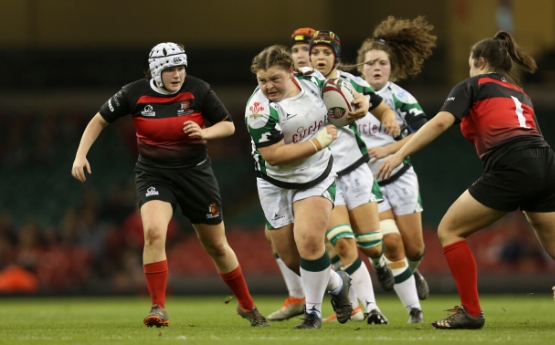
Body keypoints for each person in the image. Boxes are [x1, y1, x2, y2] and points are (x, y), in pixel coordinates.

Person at [71, 42, 269, 328]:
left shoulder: (198, 89)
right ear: (155, 70)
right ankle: (158, 307)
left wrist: (204, 132)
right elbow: (99, 120)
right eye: (170, 69)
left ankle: (248, 305)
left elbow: (228, 125)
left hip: (196, 175)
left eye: (181, 68)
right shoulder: (134, 92)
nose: (177, 74)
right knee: (152, 233)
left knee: (216, 246)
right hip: (154, 175)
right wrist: (80, 156)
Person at [377, 30, 555, 330]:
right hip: (546, 163)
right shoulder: (519, 93)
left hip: (513, 164)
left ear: (481, 62)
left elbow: (440, 123)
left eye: (471, 65)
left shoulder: (474, 84)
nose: (469, 70)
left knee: (449, 230)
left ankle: (471, 312)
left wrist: (399, 154)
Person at [246, 44, 372, 329]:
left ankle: (312, 314)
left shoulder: (313, 80)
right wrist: (319, 141)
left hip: (315, 174)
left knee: (310, 242)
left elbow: (344, 91)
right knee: (292, 259)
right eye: (262, 80)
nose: (268, 86)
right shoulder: (258, 110)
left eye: (274, 78)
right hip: (273, 183)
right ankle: (338, 285)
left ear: (291, 72)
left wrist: (360, 102)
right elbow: (273, 156)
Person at [309, 30, 400, 324]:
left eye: (326, 52)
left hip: (357, 172)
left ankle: (378, 261)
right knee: (345, 244)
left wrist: (386, 117)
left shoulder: (352, 84)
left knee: (372, 244)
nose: (320, 57)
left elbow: (381, 107)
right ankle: (373, 309)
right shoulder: (301, 88)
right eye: (315, 52)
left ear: (335, 56)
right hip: (325, 177)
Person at [353, 16, 437, 323]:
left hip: (400, 177)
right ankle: (410, 305)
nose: (377, 68)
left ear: (392, 67)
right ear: (360, 67)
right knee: (391, 242)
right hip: (367, 182)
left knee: (415, 248)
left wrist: (391, 149)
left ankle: (411, 274)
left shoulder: (401, 97)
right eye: (371, 62)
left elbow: (425, 131)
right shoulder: (349, 93)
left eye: (383, 63)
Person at [266, 27, 316, 322]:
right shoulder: (277, 88)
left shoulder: (324, 84)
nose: (301, 55)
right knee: (276, 236)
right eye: (295, 50)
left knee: (323, 239)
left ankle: (359, 301)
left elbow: (363, 106)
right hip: (290, 171)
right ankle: (300, 296)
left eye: (308, 50)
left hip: (334, 170)